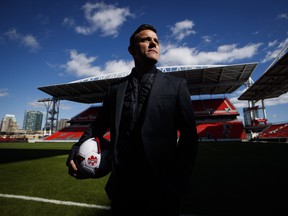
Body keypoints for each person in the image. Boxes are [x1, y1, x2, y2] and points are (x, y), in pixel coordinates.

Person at [66, 24, 198, 216]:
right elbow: (98, 126)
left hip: (162, 187)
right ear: (131, 50)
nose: (153, 43)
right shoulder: (115, 89)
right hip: (122, 188)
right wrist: (76, 150)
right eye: (146, 39)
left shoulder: (176, 85)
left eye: (156, 41)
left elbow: (189, 135)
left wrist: (180, 176)